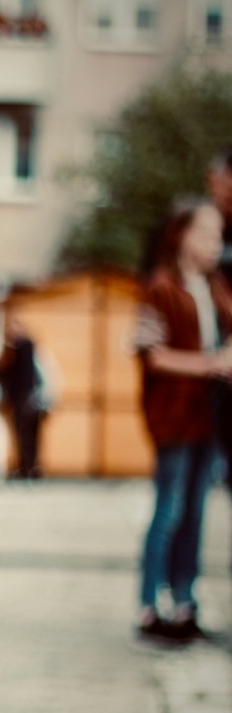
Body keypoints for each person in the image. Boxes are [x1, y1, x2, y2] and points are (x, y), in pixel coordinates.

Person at [135, 198, 232, 645]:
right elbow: (153, 357)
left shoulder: (214, 289)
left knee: (194, 513)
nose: (216, 243)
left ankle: (185, 602)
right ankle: (151, 604)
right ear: (181, 235)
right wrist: (211, 364)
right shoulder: (160, 288)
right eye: (207, 234)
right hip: (174, 416)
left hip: (207, 418)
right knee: (169, 511)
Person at [0, 317, 49, 479]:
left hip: (25, 399)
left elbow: (20, 376)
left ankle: (28, 467)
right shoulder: (27, 347)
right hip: (31, 399)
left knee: (25, 436)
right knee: (29, 436)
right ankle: (30, 467)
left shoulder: (22, 347)